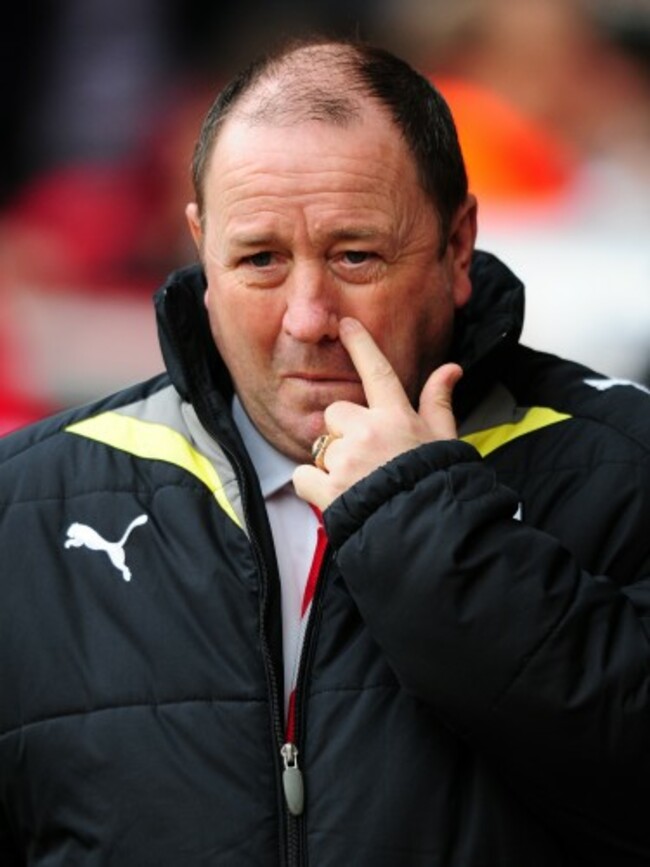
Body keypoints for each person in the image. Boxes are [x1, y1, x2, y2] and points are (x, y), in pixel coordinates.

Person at [1, 37, 649, 867]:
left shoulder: (626, 467)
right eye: (261, 260)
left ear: (458, 247)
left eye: (355, 255)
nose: (307, 316)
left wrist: (423, 521)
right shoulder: (26, 506)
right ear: (201, 250)